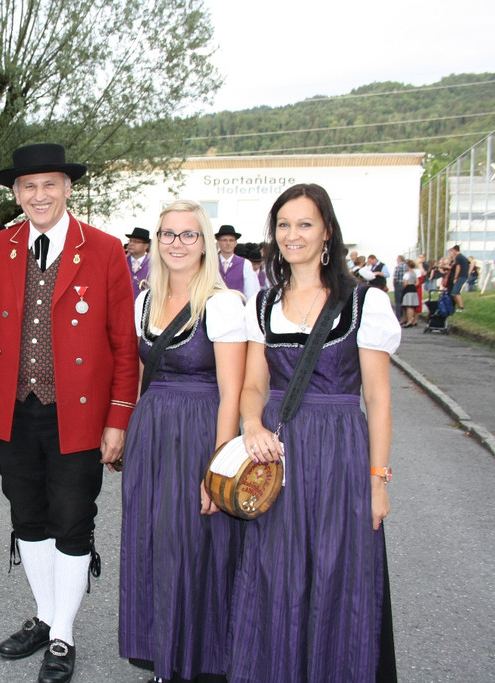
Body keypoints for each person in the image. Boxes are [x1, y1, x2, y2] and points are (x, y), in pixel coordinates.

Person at [0, 143, 138, 683]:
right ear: (16, 193)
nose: (38, 195)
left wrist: (118, 419)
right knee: (28, 517)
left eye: (49, 185)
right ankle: (46, 616)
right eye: (28, 187)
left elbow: (122, 343)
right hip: (15, 409)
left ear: (68, 188)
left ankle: (62, 634)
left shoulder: (106, 249)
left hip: (80, 413)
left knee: (72, 519)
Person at [230, 183, 401, 683]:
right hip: (278, 454)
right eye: (284, 225)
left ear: (327, 231)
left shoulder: (362, 302)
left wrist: (377, 480)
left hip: (340, 453)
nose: (293, 234)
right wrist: (252, 423)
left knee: (335, 572)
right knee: (274, 572)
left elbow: (378, 398)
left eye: (305, 224)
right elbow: (254, 383)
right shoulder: (263, 303)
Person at [119, 200, 246, 683]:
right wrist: (130, 434)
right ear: (156, 242)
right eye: (167, 234)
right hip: (152, 433)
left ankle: (201, 662)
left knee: (194, 546)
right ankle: (161, 658)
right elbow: (140, 377)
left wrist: (218, 468)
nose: (176, 243)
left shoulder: (222, 303)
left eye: (188, 235)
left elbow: (232, 391)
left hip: (198, 434)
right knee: (153, 541)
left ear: (206, 243)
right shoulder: (143, 302)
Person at [214, 225, 260, 301]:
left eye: (231, 240)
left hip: (239, 309)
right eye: (224, 240)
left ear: (235, 243)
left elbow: (250, 292)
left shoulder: (245, 264)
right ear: (218, 242)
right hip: (214, 309)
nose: (228, 243)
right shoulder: (211, 263)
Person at [125, 227, 152, 298]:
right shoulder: (121, 262)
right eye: (130, 241)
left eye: (136, 242)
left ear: (145, 246)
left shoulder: (154, 265)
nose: (131, 244)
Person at [449, 245, 470, 312]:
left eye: (453, 251)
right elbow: (469, 264)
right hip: (464, 275)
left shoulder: (458, 257)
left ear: (455, 250)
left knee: (455, 292)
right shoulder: (463, 257)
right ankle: (459, 307)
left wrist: (455, 277)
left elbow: (458, 267)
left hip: (460, 276)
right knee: (455, 292)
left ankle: (461, 307)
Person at [399, 259, 420, 327]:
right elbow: (417, 283)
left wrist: (403, 287)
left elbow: (405, 283)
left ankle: (409, 320)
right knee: (412, 306)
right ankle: (411, 319)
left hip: (408, 290)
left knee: (408, 306)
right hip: (413, 289)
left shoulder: (407, 274)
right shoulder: (414, 273)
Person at [392, 255, 406, 322]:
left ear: (399, 259)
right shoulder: (406, 266)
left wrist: (394, 284)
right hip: (405, 284)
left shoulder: (398, 267)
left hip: (398, 284)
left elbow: (396, 277)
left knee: (398, 302)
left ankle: (398, 316)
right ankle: (404, 317)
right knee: (403, 301)